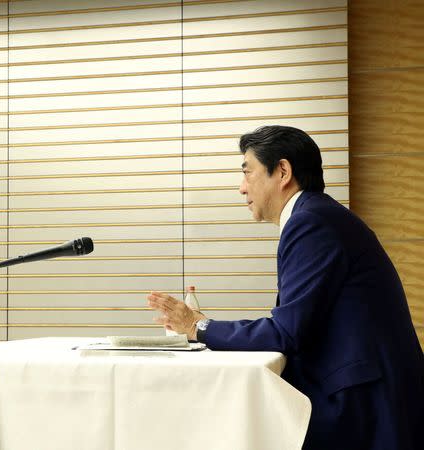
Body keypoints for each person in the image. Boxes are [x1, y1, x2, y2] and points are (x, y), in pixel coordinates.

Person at [147, 125, 424, 450]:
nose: (241, 188)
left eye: (247, 173)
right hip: (372, 396)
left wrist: (198, 326)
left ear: (282, 171)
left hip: (363, 405)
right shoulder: (320, 215)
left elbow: (287, 334)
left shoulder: (312, 223)